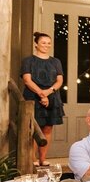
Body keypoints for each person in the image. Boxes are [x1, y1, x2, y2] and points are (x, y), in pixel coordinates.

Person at [20, 32, 65, 166]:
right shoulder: (28, 61)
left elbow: (59, 80)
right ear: (36, 44)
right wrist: (41, 94)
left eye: (49, 43)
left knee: (47, 128)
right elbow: (27, 80)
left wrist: (48, 92)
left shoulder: (55, 61)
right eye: (43, 42)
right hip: (33, 96)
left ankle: (42, 159)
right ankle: (32, 160)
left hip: (52, 96)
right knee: (34, 129)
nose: (47, 45)